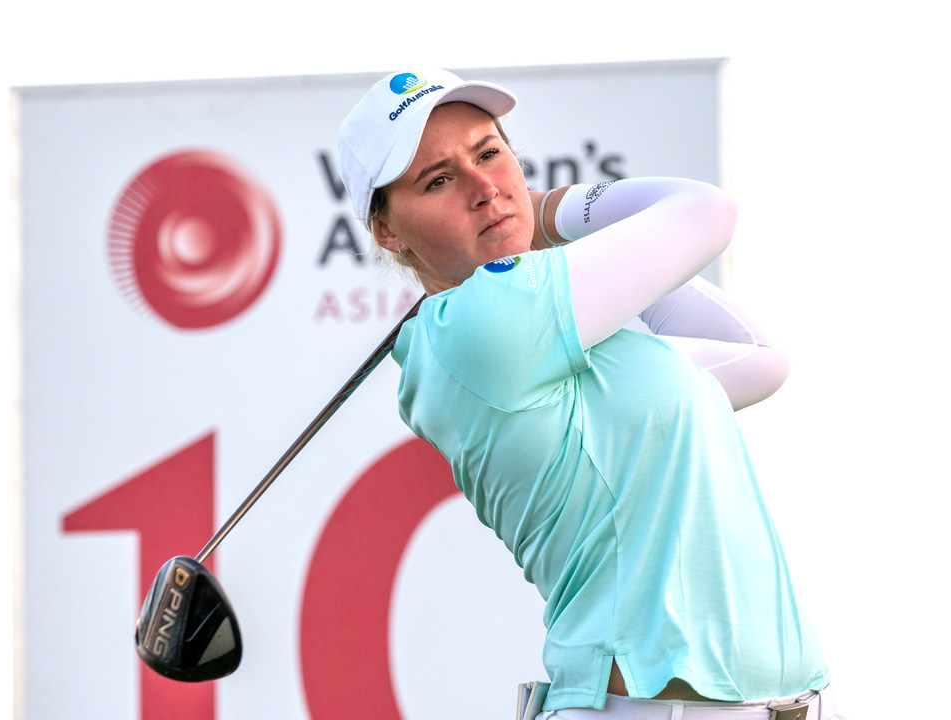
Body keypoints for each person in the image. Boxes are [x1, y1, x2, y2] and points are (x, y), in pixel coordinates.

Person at [337, 68, 840, 720]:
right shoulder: (483, 324)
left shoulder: (549, 348)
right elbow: (707, 213)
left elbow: (757, 358)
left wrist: (542, 229)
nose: (485, 188)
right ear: (388, 234)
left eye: (489, 154)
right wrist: (549, 212)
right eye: (439, 180)